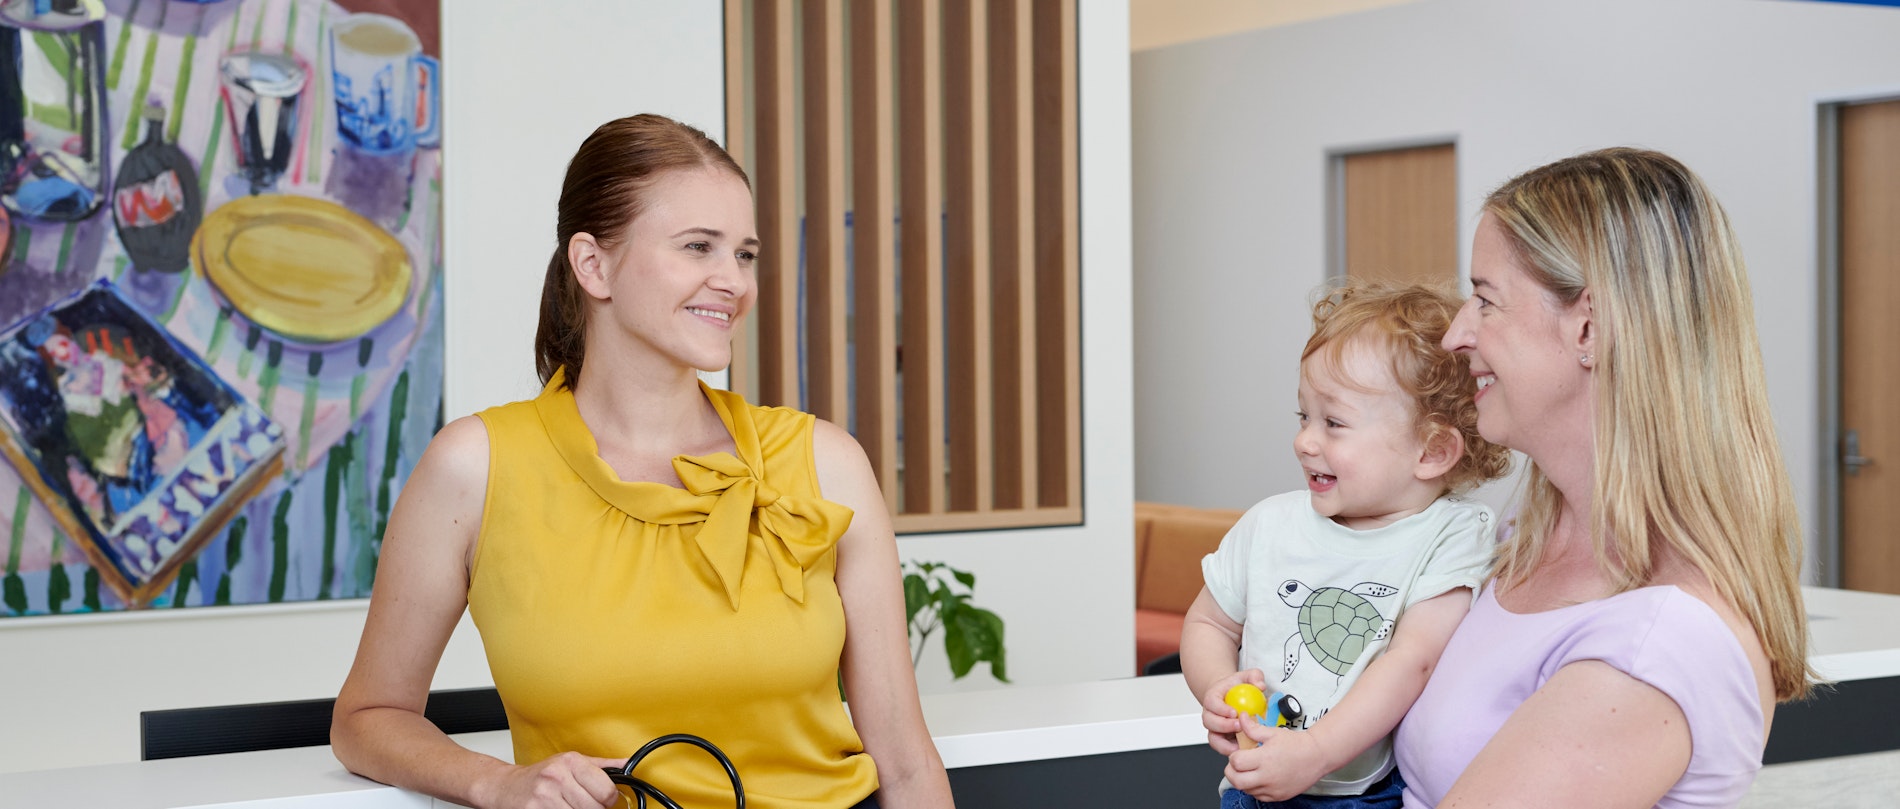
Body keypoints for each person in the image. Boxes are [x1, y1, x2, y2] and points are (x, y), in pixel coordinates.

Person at [331, 113, 954, 809]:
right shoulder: (475, 468)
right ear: (593, 265)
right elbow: (366, 718)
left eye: (745, 254)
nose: (734, 281)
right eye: (698, 247)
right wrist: (497, 782)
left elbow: (904, 765)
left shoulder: (824, 463)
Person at [1394, 147, 1815, 808]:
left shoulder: (1654, 646)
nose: (1455, 334)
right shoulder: (1520, 542)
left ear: (1589, 325)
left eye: (1484, 300)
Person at [1181, 282, 1512, 808]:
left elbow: (1413, 660)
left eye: (1334, 423)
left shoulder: (1451, 535)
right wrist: (1216, 686)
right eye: (1303, 417)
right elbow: (1209, 623)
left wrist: (1316, 751)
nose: (1304, 441)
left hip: (1363, 795)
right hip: (1255, 784)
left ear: (1431, 451)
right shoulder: (1269, 524)